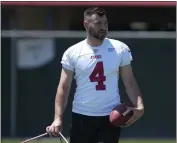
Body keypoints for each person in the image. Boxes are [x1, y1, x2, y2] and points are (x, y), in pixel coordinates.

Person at [46, 7, 144, 143]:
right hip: (82, 116)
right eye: (98, 23)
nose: (103, 27)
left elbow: (129, 81)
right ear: (86, 25)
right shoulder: (73, 52)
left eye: (105, 23)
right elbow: (63, 87)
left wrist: (139, 105)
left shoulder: (119, 48)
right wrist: (58, 118)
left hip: (110, 117)